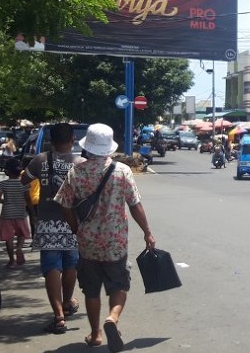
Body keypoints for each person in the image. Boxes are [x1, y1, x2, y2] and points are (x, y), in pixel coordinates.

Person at [56, 123, 155, 351]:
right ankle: (112, 318)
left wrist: (75, 228)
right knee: (119, 285)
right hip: (115, 242)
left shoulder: (76, 172)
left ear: (88, 146)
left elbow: (64, 204)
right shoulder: (122, 171)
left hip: (87, 243)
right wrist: (147, 232)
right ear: (109, 147)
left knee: (91, 290)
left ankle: (95, 334)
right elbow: (135, 205)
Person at [21, 123, 85, 334]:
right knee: (71, 265)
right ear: (73, 140)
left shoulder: (40, 160)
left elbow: (24, 179)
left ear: (51, 140)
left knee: (51, 268)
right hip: (72, 222)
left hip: (47, 222)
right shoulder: (79, 163)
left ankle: (58, 317)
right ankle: (67, 302)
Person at [0, 157, 31, 269]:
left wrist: (6, 201)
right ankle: (19, 248)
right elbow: (28, 199)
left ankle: (11, 261)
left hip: (6, 214)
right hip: (21, 213)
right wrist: (32, 211)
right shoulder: (24, 184)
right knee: (22, 234)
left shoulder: (2, 184)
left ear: (7, 171)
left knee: (8, 238)